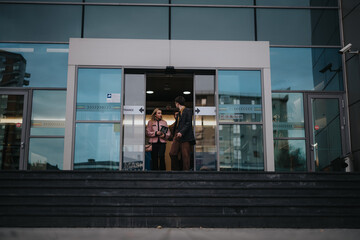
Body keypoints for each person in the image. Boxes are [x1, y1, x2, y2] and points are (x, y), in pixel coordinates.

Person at [169, 96, 196, 171]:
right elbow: (176, 125)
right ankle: (176, 171)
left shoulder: (187, 110)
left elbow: (188, 123)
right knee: (172, 153)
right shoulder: (178, 114)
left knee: (185, 156)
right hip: (177, 136)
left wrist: (181, 132)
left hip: (185, 136)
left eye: (175, 103)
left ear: (177, 103)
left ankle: (185, 173)